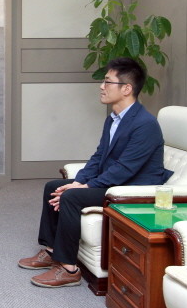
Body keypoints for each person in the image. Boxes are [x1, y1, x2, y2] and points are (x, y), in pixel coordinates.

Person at [18, 57, 173, 287]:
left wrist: (85, 187)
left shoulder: (145, 124)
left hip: (133, 190)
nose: (101, 86)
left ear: (127, 88)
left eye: (108, 82)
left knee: (72, 197)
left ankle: (68, 268)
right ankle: (51, 251)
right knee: (54, 187)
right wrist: (78, 181)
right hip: (116, 183)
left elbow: (125, 168)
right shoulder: (113, 119)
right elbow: (99, 157)